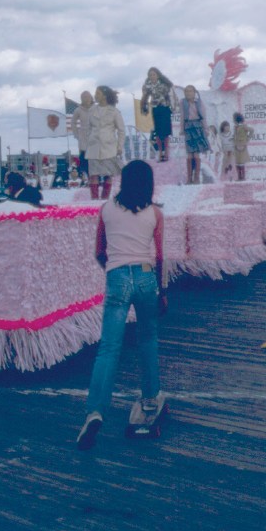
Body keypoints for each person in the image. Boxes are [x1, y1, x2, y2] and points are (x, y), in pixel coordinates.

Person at [77, 159, 167, 450]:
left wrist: (115, 272)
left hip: (117, 276)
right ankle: (150, 399)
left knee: (108, 348)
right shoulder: (155, 213)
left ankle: (95, 411)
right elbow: (161, 256)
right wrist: (162, 291)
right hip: (145, 277)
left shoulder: (106, 209)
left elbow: (99, 251)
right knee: (148, 340)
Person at [87, 86, 126, 200]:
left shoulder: (114, 111)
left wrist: (119, 146)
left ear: (104, 95)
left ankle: (104, 199)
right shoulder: (92, 110)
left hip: (109, 146)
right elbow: (88, 128)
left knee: (108, 174)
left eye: (97, 93)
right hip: (93, 146)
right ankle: (94, 199)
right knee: (93, 174)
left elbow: (121, 130)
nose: (95, 95)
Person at [141, 68, 177, 163]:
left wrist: (173, 106)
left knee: (166, 131)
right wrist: (144, 107)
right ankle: (160, 152)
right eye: (150, 75)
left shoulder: (164, 85)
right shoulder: (148, 86)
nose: (152, 76)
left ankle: (167, 151)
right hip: (156, 109)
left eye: (154, 74)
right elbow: (144, 97)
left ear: (158, 75)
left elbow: (171, 95)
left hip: (165, 108)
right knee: (158, 131)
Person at [181, 85, 210, 184]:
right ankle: (189, 178)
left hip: (197, 127)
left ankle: (196, 177)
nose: (188, 93)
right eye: (187, 91)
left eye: (190, 91)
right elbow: (182, 116)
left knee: (196, 152)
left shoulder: (199, 103)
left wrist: (205, 129)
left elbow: (203, 116)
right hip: (188, 127)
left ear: (194, 92)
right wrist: (182, 129)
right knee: (189, 153)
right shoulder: (183, 103)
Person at [71, 90, 94, 183]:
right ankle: (88, 178)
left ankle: (96, 179)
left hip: (94, 135)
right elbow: (73, 122)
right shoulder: (78, 110)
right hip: (83, 137)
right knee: (85, 159)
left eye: (88, 97)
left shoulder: (96, 108)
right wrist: (76, 134)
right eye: (84, 97)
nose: (86, 99)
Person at [233, 112, 254, 181]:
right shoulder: (235, 127)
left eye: (234, 119)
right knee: (237, 162)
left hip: (242, 145)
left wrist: (247, 139)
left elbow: (252, 130)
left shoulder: (243, 126)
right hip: (236, 146)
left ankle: (243, 177)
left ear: (237, 119)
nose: (233, 120)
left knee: (241, 162)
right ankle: (239, 177)